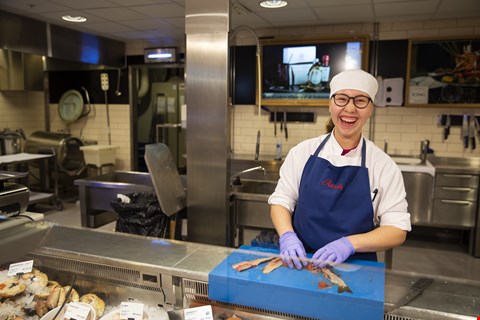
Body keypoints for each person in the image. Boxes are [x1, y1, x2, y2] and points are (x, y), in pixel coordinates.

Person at [268, 69, 411, 269]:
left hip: (357, 267)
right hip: (301, 260)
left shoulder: (384, 165)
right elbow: (281, 201)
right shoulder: (303, 152)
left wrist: (349, 244)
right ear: (330, 104)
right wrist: (287, 236)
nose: (350, 109)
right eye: (342, 99)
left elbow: (397, 229)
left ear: (371, 108)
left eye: (360, 100)